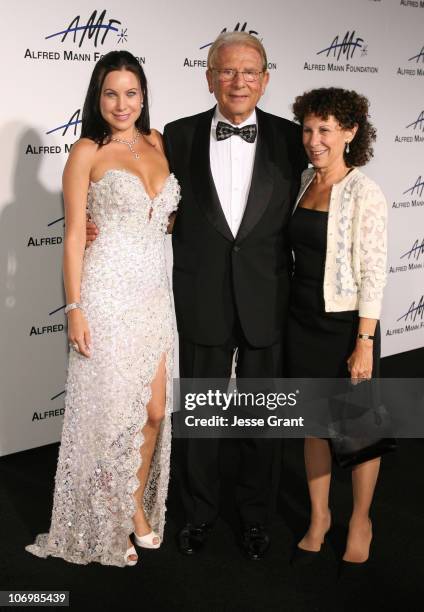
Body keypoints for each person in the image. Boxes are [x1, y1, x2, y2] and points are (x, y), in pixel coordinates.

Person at [25, 51, 180, 567]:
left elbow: (164, 220)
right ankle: (119, 521)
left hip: (155, 295)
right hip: (106, 293)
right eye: (111, 93)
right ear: (98, 97)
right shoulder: (85, 151)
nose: (121, 103)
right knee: (113, 417)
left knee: (155, 411)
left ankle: (131, 500)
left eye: (131, 93)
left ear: (143, 97)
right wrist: (73, 307)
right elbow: (73, 235)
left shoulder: (158, 143)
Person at [163, 32, 307, 560]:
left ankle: (254, 517)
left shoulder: (295, 141)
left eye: (249, 72)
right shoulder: (174, 138)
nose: (238, 81)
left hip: (268, 297)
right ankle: (198, 515)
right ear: (208, 78)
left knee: (261, 420)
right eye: (227, 71)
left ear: (266, 79)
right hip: (201, 297)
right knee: (199, 417)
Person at [287, 87, 388, 569]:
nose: (314, 139)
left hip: (347, 323)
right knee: (313, 426)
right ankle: (320, 516)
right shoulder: (303, 181)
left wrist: (364, 341)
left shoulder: (364, 191)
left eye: (325, 129)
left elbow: (374, 270)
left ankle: (361, 519)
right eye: (308, 129)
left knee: (357, 429)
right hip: (302, 319)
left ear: (349, 132)